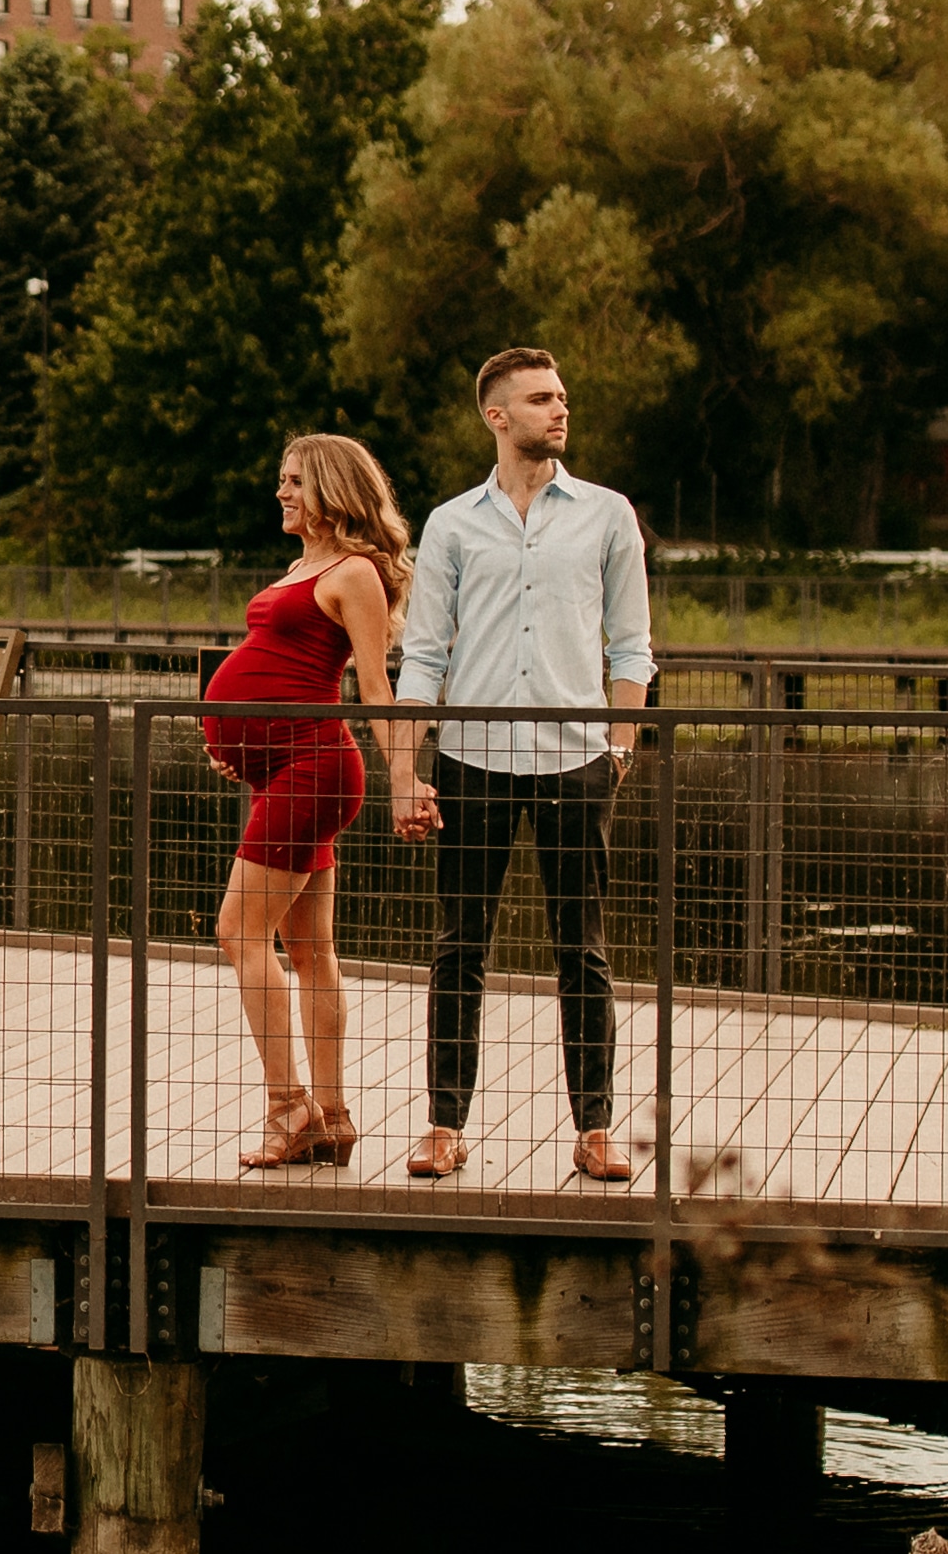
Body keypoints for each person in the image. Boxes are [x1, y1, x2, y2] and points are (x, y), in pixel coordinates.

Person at [387, 346, 655, 1185]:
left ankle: (597, 1128)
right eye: (541, 399)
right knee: (459, 945)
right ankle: (443, 1125)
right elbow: (423, 657)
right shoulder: (452, 523)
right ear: (497, 416)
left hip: (578, 762)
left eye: (563, 396)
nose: (559, 409)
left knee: (584, 949)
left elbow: (633, 647)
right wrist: (405, 769)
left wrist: (618, 747)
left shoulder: (609, 515)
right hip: (471, 760)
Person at [197, 431, 414, 1171]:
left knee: (237, 931)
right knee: (311, 951)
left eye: (294, 480)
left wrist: (405, 780)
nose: (282, 492)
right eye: (281, 479)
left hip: (315, 767)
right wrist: (242, 747)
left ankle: (287, 1108)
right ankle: (332, 1115)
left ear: (329, 486)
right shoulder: (305, 566)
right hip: (284, 768)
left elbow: (376, 689)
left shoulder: (355, 571)